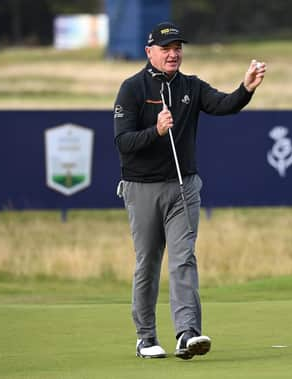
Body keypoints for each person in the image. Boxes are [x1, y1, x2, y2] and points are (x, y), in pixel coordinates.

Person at [113, 21, 266, 360]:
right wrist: (154, 130)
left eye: (178, 47)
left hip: (184, 188)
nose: (174, 53)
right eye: (166, 48)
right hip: (142, 189)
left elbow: (224, 104)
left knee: (184, 259)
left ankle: (187, 334)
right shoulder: (131, 89)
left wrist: (246, 88)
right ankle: (146, 338)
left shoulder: (191, 86)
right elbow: (123, 142)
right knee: (148, 263)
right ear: (149, 52)